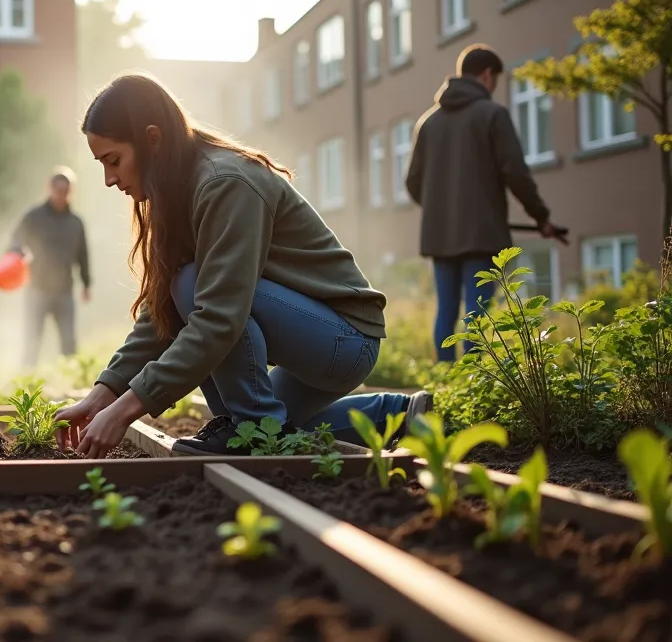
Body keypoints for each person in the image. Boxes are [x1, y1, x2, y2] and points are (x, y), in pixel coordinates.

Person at [53, 73, 433, 459]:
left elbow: (219, 317)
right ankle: (399, 415)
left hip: (343, 337)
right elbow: (159, 316)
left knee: (189, 286)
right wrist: (105, 393)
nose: (108, 179)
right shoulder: (176, 190)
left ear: (153, 139)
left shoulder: (224, 182)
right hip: (311, 337)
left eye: (113, 160)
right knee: (275, 425)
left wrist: (126, 410)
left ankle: (250, 431)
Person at [406, 44, 558, 363]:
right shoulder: (493, 115)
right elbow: (516, 173)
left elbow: (412, 182)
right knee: (476, 314)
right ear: (488, 75)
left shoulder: (427, 123)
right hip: (482, 234)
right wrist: (541, 217)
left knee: (446, 311)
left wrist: (442, 210)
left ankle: (443, 390)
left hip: (439, 235)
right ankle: (473, 388)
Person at [7, 167, 92, 367]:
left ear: (71, 191)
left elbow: (83, 255)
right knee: (32, 338)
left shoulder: (76, 222)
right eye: (58, 190)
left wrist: (87, 283)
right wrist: (18, 252)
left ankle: (71, 378)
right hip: (37, 288)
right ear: (50, 188)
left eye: (66, 191)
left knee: (69, 341)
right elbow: (15, 240)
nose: (61, 195)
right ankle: (27, 379)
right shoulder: (34, 216)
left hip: (65, 291)